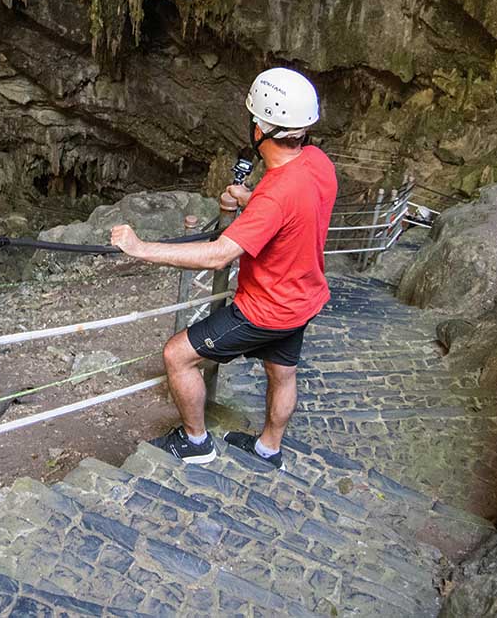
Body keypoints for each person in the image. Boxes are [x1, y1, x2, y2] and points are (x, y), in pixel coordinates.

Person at [110, 68, 336, 469]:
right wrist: (250, 199)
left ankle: (196, 442)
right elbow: (294, 214)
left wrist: (140, 247)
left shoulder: (276, 194)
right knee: (282, 374)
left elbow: (219, 255)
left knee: (178, 355)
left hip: (266, 310)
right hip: (304, 298)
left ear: (259, 128)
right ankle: (269, 449)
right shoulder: (317, 163)